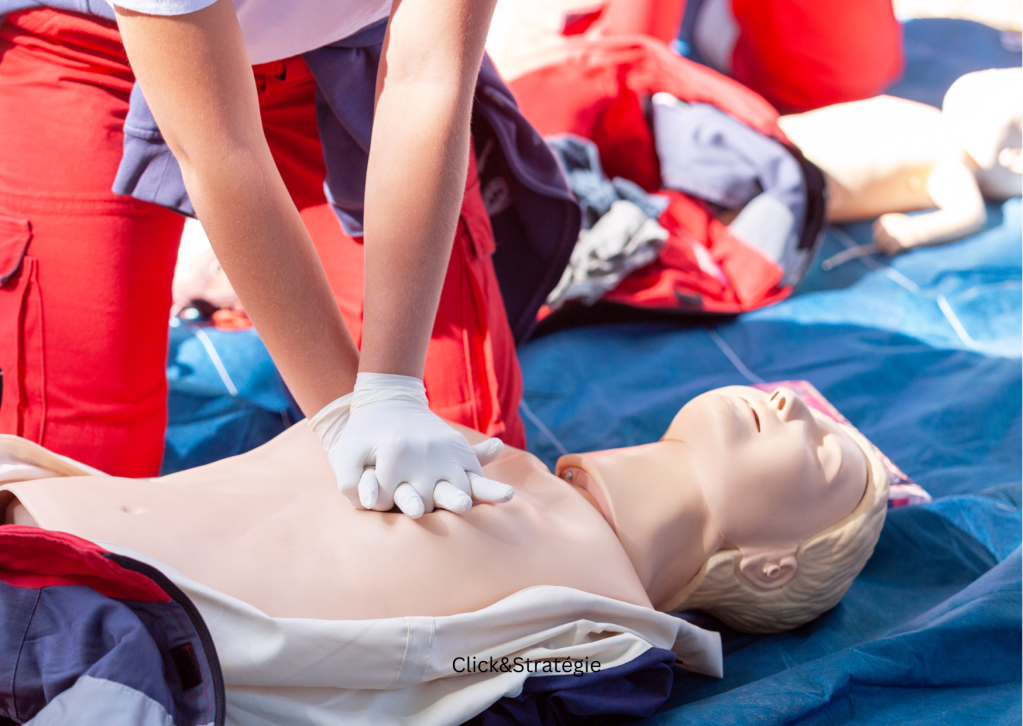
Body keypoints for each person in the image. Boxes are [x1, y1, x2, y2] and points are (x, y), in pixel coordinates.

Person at [1, 384, 890, 723]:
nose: (797, 405)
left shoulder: (610, 641)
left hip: (86, 644)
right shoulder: (478, 444)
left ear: (773, 564)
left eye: (823, 453)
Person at [0, 0, 580, 517]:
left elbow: (426, 79)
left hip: (354, 49)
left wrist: (391, 391)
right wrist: (343, 415)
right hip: (86, 50)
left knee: (464, 458)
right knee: (70, 485)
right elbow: (216, 149)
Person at [777, 68, 1022, 258]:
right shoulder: (946, 145)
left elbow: (969, 214)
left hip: (795, 162)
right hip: (795, 161)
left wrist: (912, 231)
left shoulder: (947, 152)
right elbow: (970, 214)